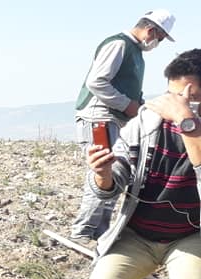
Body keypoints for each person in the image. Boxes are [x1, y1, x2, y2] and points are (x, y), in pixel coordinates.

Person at [85, 48, 201, 279]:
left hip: (191, 235)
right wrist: (103, 174)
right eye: (173, 93)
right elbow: (114, 179)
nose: (175, 103)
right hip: (140, 231)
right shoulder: (145, 123)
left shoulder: (187, 122)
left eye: (189, 95)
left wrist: (188, 125)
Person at [71, 9, 176, 241]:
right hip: (99, 118)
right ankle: (83, 232)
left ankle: (101, 232)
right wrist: (127, 104)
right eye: (159, 38)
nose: (157, 43)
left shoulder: (135, 51)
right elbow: (96, 81)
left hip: (115, 119)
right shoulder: (119, 45)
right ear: (151, 30)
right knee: (102, 170)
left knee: (115, 174)